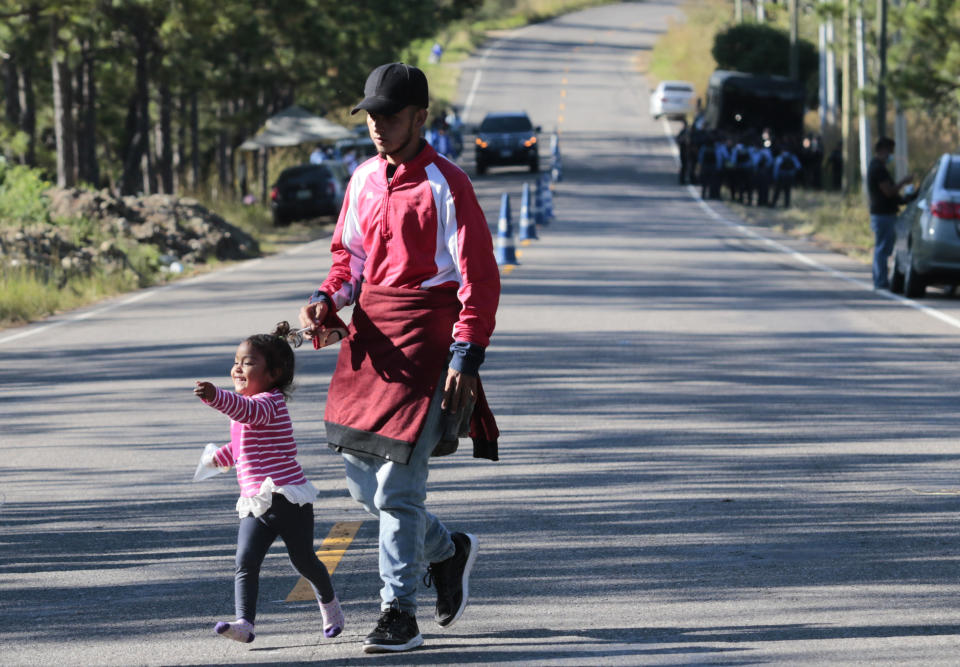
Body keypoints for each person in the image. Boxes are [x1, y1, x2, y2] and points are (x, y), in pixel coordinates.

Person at [298, 62, 501, 654]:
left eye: (390, 115)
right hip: (372, 341)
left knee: (400, 490)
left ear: (420, 116)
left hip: (428, 343)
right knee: (366, 490)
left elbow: (477, 277)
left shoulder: (448, 184)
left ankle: (398, 612)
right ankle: (448, 551)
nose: (378, 126)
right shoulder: (362, 179)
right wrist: (324, 299)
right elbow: (349, 261)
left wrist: (466, 353)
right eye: (372, 116)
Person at [193, 322, 343, 645]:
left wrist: (214, 396)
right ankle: (245, 622)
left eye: (248, 362)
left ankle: (330, 608)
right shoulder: (248, 410)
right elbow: (241, 446)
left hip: (287, 499)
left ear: (273, 374)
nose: (237, 368)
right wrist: (218, 459)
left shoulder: (269, 404)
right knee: (245, 561)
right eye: (236, 361)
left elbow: (245, 411)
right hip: (255, 501)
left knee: (304, 560)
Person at [867, 136, 913, 290]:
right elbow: (888, 192)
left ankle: (879, 279)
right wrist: (903, 182)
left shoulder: (878, 167)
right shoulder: (877, 169)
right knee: (883, 249)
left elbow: (892, 195)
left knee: (882, 247)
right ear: (882, 150)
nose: (891, 155)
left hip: (883, 213)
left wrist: (904, 199)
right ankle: (880, 281)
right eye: (890, 151)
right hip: (883, 215)